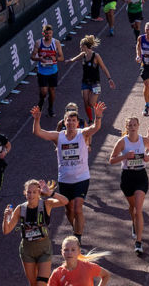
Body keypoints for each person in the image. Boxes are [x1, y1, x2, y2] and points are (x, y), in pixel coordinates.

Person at [31, 103, 105, 245]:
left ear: (78, 123)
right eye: (68, 120)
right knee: (69, 210)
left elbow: (96, 127)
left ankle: (78, 237)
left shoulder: (82, 134)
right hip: (65, 179)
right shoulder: (58, 136)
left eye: (73, 120)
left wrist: (98, 116)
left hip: (82, 178)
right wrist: (36, 120)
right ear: (64, 123)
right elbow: (38, 132)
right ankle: (76, 228)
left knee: (78, 209)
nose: (71, 123)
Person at [2, 179, 70, 286]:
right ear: (24, 193)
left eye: (34, 192)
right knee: (34, 285)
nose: (31, 195)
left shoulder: (46, 204)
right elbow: (6, 230)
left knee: (41, 285)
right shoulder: (20, 209)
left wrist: (51, 193)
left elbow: (65, 201)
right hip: (27, 250)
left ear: (39, 193)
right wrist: (5, 217)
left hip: (44, 248)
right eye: (29, 192)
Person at [108, 115, 149, 255]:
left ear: (138, 126)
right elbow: (111, 160)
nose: (132, 128)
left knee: (138, 209)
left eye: (135, 125)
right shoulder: (122, 142)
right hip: (127, 177)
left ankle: (138, 243)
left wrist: (148, 156)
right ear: (126, 127)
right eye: (130, 126)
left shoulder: (143, 140)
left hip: (141, 176)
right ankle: (134, 223)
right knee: (133, 207)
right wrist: (124, 156)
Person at [45, 236, 111, 286]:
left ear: (78, 252)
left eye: (73, 249)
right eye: (66, 250)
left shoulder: (88, 267)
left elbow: (106, 275)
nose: (69, 252)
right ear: (62, 252)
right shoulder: (57, 273)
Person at [68, 35, 113, 125]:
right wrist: (70, 60)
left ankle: (99, 111)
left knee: (91, 103)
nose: (80, 47)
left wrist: (109, 79)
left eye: (81, 45)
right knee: (86, 103)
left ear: (84, 46)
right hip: (85, 82)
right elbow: (76, 58)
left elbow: (103, 68)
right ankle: (91, 120)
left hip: (95, 83)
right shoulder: (83, 55)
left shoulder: (96, 56)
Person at [32, 25, 64, 118]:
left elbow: (62, 57)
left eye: (50, 33)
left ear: (52, 33)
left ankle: (50, 108)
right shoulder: (38, 43)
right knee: (44, 92)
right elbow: (32, 56)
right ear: (43, 33)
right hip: (42, 71)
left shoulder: (56, 43)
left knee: (52, 91)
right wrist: (39, 58)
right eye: (46, 33)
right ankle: (41, 101)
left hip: (53, 71)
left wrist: (56, 58)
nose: (48, 35)